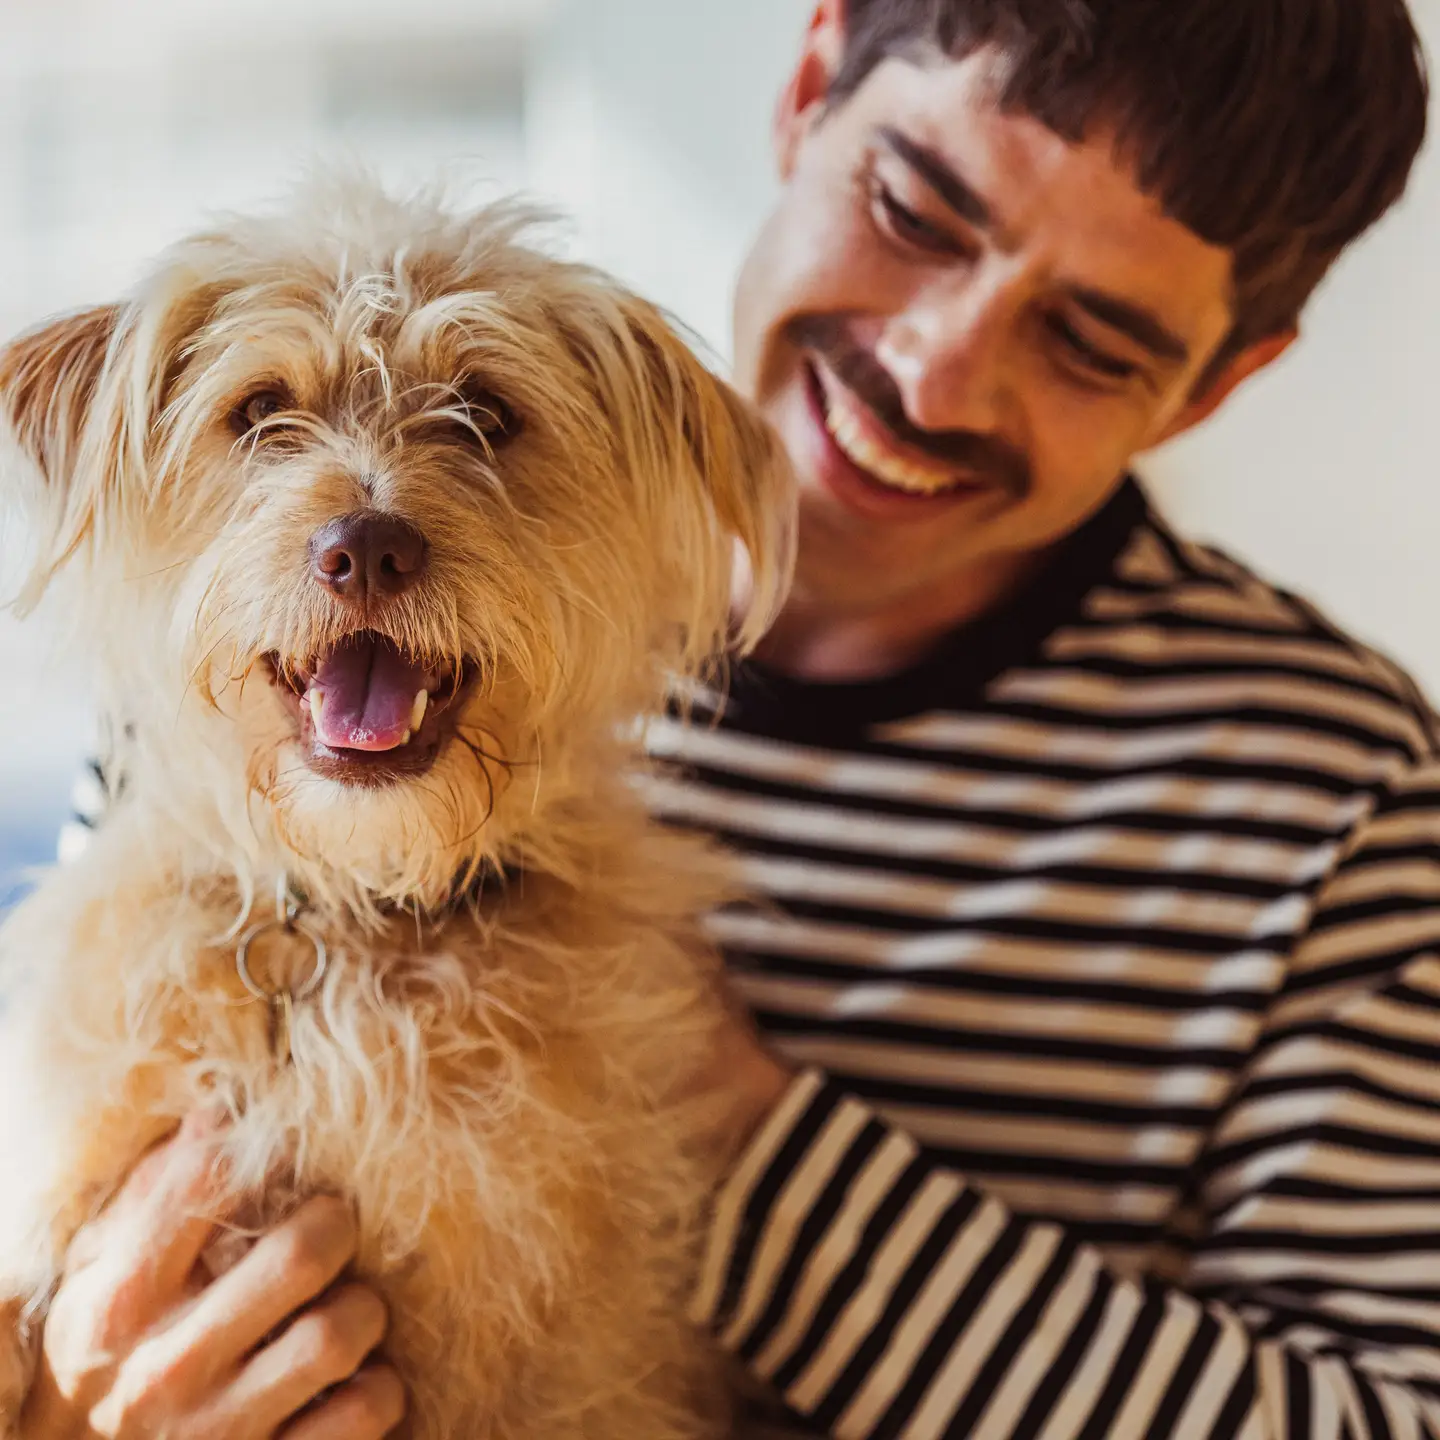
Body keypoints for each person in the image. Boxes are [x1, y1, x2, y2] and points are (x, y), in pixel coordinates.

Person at [32, 0, 1439, 1435]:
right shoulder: (290, 676)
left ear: (1223, 379)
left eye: (1088, 339)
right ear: (813, 77)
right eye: (913, 211)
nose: (934, 369)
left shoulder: (1338, 796)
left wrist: (727, 1123)